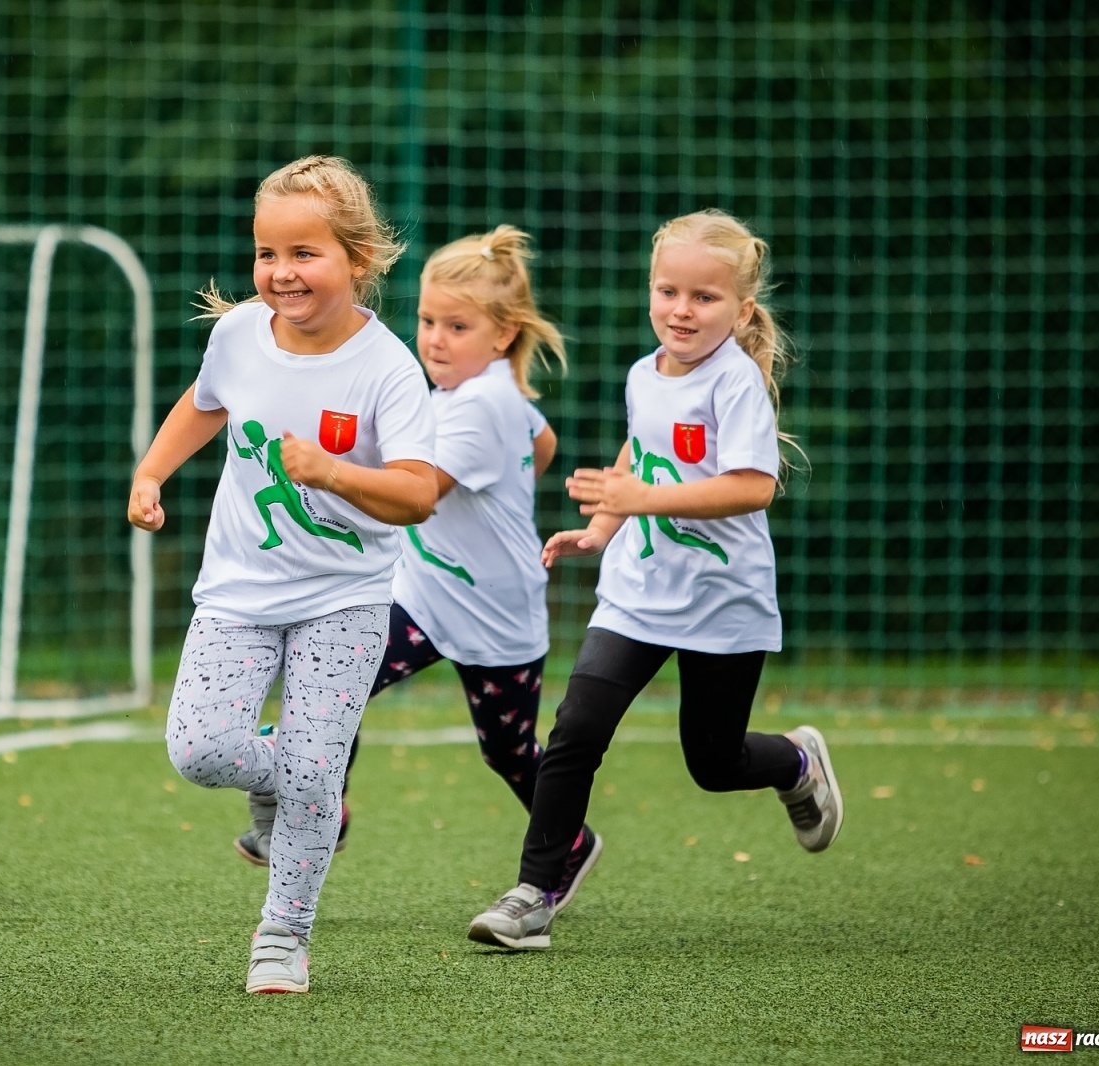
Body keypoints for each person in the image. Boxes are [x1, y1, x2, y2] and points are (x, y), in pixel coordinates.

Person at [467, 208, 841, 950]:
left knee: (714, 761)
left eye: (704, 297)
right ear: (650, 290)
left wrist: (642, 502)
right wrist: (603, 526)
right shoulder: (646, 373)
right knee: (574, 732)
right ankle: (532, 894)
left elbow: (750, 487)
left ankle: (796, 762)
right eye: (669, 291)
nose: (682, 309)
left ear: (739, 308)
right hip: (636, 596)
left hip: (723, 603)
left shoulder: (735, 385)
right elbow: (642, 453)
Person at [127, 156, 437, 994]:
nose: (281, 273)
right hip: (237, 592)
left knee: (311, 767)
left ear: (358, 259)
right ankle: (303, 776)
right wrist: (151, 474)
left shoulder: (388, 370)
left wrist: (334, 472)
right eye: (268, 253)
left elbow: (415, 494)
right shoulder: (237, 335)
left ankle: (283, 936)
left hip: (347, 599)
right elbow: (204, 404)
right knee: (199, 749)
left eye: (304, 253)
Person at [230, 225, 603, 909]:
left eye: (456, 326)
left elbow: (420, 494)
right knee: (341, 682)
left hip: (494, 613)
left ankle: (570, 844)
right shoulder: (478, 396)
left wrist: (331, 472)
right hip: (421, 595)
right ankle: (326, 809)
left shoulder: (483, 404)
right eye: (429, 320)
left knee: (510, 754)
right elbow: (541, 443)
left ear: (503, 335)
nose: (434, 338)